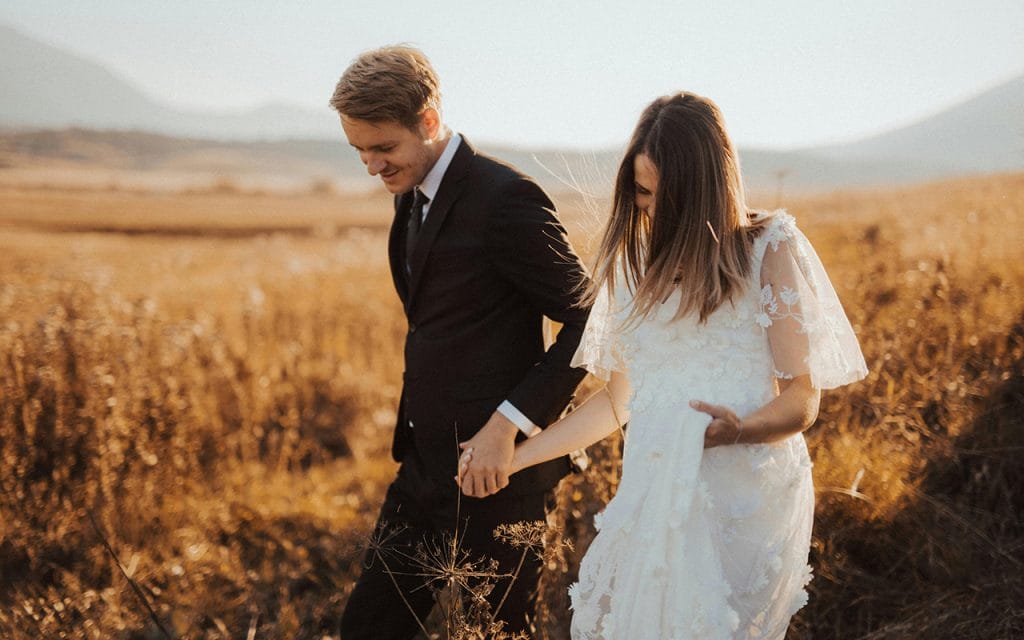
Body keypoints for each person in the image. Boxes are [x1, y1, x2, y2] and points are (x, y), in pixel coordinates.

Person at [459, 92, 868, 639]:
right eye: (640, 192)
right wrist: (518, 457)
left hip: (743, 499)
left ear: (702, 190)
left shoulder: (768, 248)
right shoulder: (631, 267)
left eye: (658, 195)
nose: (646, 208)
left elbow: (801, 399)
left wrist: (740, 429)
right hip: (652, 495)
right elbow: (617, 402)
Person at [330, 46, 591, 639]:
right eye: (359, 151)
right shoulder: (411, 193)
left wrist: (508, 425)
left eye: (383, 148)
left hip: (501, 480)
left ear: (428, 120)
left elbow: (589, 322)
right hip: (421, 473)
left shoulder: (507, 199)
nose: (372, 166)